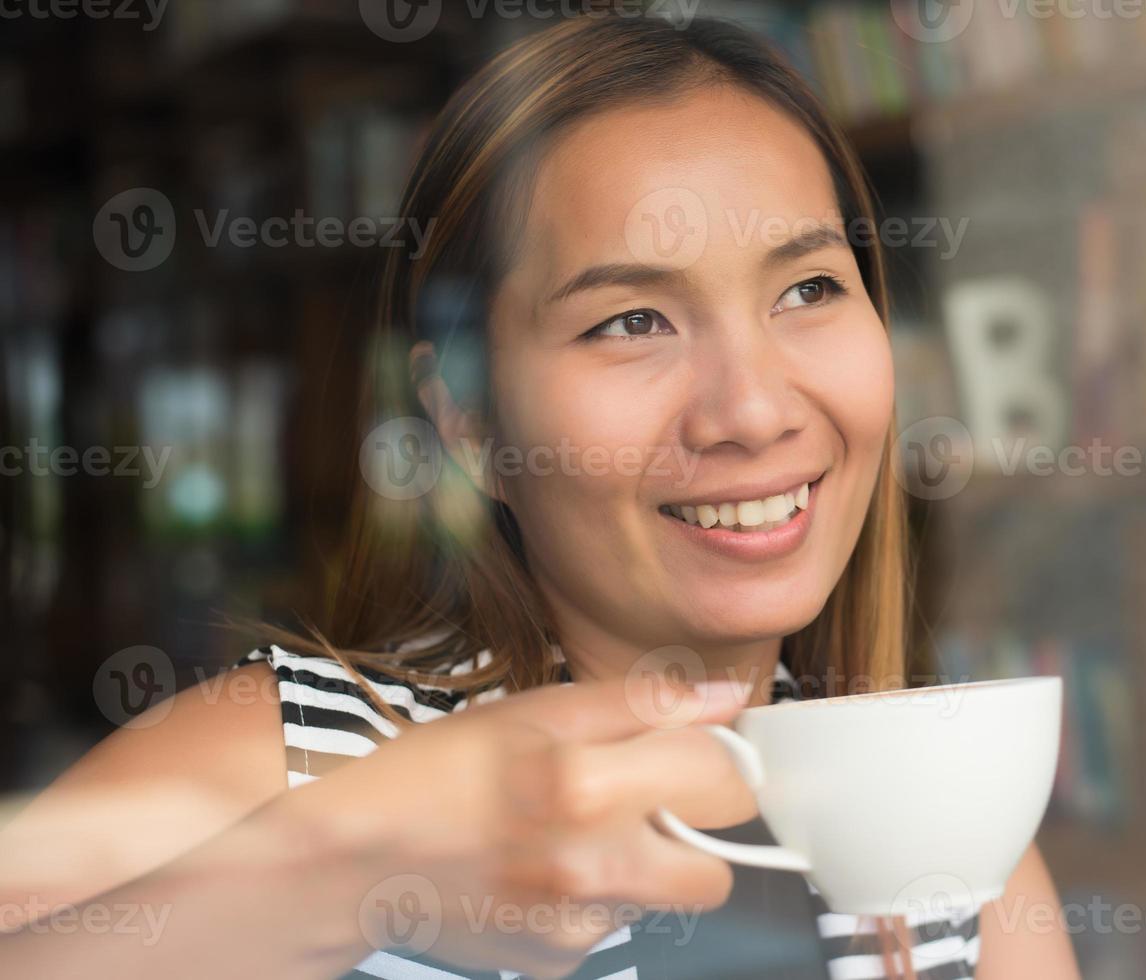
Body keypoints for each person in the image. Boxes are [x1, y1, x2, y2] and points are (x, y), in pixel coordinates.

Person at [0, 13, 1079, 980]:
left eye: (807, 288)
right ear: (468, 419)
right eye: (629, 321)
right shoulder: (281, 759)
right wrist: (355, 871)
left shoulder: (951, 846)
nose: (750, 410)